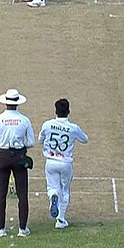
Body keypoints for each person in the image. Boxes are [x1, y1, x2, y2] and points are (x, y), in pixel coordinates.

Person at [0, 89, 35, 238]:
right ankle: (23, 228)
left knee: (1, 194)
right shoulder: (25, 120)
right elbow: (31, 142)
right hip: (19, 156)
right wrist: (20, 149)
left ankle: (1, 228)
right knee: (22, 194)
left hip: (2, 156)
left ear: (6, 102)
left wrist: (3, 149)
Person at [38, 98, 89, 230]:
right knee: (65, 190)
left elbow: (40, 140)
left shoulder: (47, 124)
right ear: (68, 112)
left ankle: (53, 196)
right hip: (66, 163)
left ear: (55, 111)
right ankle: (60, 219)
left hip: (51, 161)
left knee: (52, 187)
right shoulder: (73, 128)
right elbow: (85, 139)